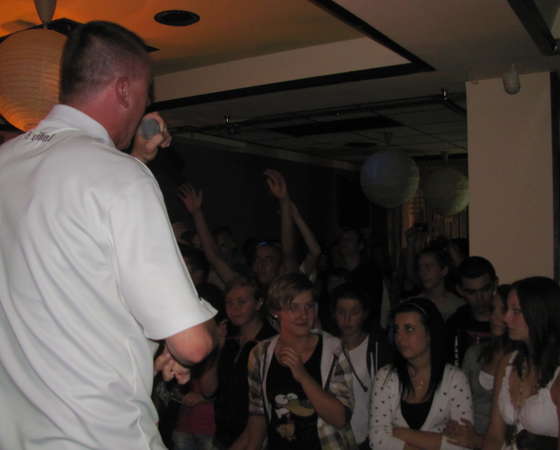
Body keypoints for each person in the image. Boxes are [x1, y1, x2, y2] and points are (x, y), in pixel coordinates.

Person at [0, 21, 217, 450]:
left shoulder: (6, 162)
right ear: (123, 90)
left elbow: (73, 251)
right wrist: (195, 328)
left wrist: (135, 156)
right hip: (100, 436)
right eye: (145, 96)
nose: (144, 108)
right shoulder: (120, 177)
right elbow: (192, 345)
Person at [234, 272, 357, 450]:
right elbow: (258, 415)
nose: (303, 315)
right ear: (276, 311)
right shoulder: (260, 353)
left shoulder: (334, 350)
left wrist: (303, 376)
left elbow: (340, 418)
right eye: (294, 307)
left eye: (309, 306)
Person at [483, 277, 560, 450]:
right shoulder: (508, 362)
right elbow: (494, 436)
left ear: (540, 315)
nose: (506, 318)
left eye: (516, 311)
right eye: (507, 309)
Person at [369, 298, 473, 450]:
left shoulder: (455, 379)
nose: (400, 337)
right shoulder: (385, 376)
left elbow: (463, 444)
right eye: (396, 330)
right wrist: (436, 440)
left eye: (409, 329)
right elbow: (377, 439)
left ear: (430, 333)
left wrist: (401, 433)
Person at [445, 285, 514, 449]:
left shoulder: (523, 362)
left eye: (503, 310)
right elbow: (457, 400)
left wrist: (478, 440)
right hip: (467, 433)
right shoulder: (475, 354)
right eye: (493, 309)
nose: (494, 317)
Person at [211, 277, 276, 448]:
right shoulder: (228, 339)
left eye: (241, 302)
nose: (234, 308)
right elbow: (208, 390)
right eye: (229, 302)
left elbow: (264, 409)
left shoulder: (270, 344)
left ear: (258, 303)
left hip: (258, 439)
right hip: (223, 435)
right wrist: (217, 348)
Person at [331, 283, 393, 449]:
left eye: (354, 312)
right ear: (334, 314)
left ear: (365, 314)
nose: (347, 319)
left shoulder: (378, 348)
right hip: (335, 439)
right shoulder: (326, 348)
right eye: (341, 312)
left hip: (370, 438)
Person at [446, 256, 497, 366]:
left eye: (485, 289)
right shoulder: (454, 324)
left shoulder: (508, 321)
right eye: (471, 292)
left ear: (495, 284)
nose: (480, 298)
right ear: (460, 290)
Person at [415, 247, 464, 320]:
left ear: (444, 271)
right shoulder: (415, 305)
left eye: (428, 266)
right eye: (420, 267)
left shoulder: (459, 306)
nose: (423, 272)